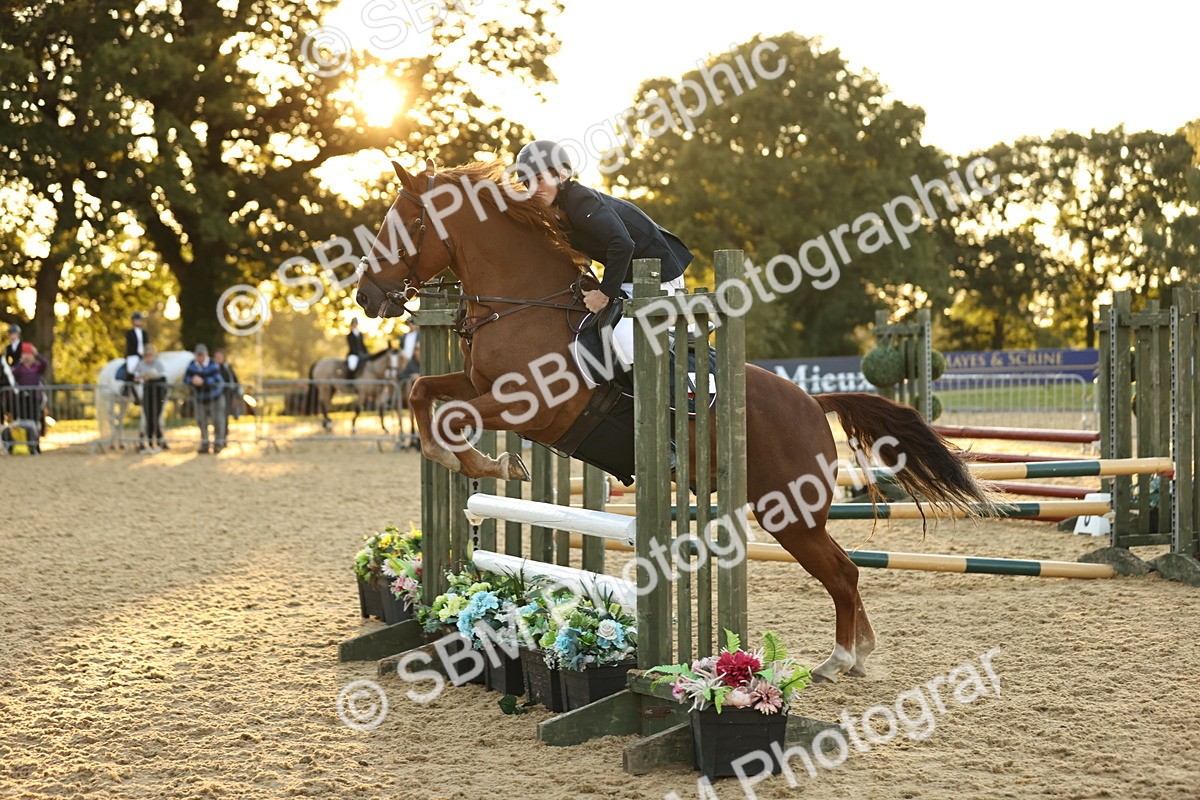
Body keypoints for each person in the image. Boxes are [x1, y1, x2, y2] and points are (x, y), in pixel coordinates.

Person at [515, 139, 694, 368]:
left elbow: (622, 244)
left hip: (659, 275)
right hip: (630, 277)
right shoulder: (559, 210)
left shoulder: (581, 201)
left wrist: (604, 293)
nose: (533, 189)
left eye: (539, 179)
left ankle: (663, 396)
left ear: (561, 175)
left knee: (622, 337)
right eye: (527, 183)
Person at [184, 344, 225, 454]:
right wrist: (192, 380)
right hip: (200, 399)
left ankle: (218, 444)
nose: (200, 357)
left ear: (206, 354)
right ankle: (205, 444)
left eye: (202, 355)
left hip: (214, 398)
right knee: (201, 422)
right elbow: (186, 378)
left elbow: (217, 379)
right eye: (198, 355)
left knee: (217, 421)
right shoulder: (192, 365)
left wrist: (203, 381)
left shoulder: (213, 364)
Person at [133, 345, 169, 452]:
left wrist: (152, 378)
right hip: (147, 393)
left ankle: (158, 440)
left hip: (158, 394)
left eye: (150, 356)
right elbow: (135, 376)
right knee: (149, 418)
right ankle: (150, 442)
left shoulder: (158, 364)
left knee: (155, 417)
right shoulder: (141, 364)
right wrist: (140, 378)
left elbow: (163, 378)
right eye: (146, 356)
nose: (148, 358)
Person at [11, 342, 48, 433]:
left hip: (35, 398)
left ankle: (35, 441)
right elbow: (13, 374)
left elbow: (45, 364)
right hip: (22, 398)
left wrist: (37, 354)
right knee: (23, 420)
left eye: (29, 354)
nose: (27, 357)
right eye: (25, 354)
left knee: (35, 420)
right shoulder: (19, 368)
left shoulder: (37, 367)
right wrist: (20, 362)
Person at [213, 349, 241, 437]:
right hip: (214, 396)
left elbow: (235, 381)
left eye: (220, 357)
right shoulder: (212, 368)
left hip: (227, 395)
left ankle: (223, 436)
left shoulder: (227, 368)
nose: (218, 359)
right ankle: (219, 436)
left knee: (224, 416)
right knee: (217, 417)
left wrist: (236, 394)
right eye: (216, 357)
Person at [125, 311, 150, 376]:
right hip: (133, 355)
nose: (138, 321)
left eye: (139, 320)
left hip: (144, 355)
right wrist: (138, 354)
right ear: (133, 321)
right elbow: (130, 346)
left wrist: (146, 354)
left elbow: (146, 344)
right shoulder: (130, 333)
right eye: (136, 320)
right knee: (134, 370)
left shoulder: (144, 333)